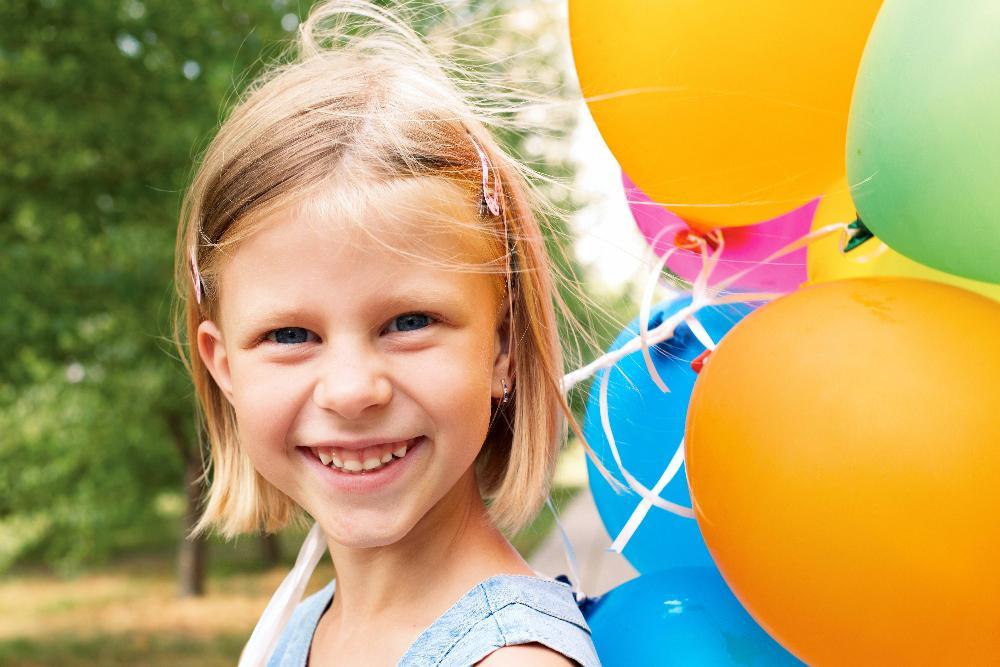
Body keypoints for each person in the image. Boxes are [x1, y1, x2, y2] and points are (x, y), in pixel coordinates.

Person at [173, 1, 604, 665]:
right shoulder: (304, 626)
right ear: (224, 366)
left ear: (502, 345)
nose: (352, 391)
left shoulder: (512, 658)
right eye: (290, 335)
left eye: (408, 322)